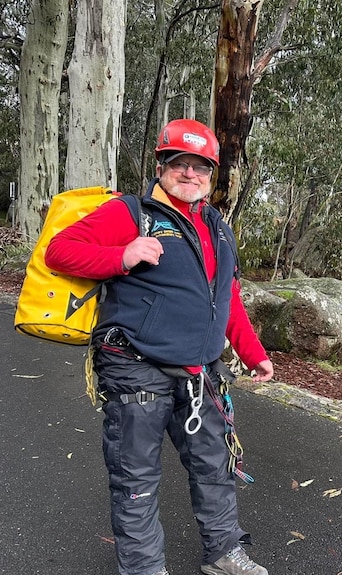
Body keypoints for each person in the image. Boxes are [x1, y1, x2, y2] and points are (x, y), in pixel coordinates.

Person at [45, 118, 273, 575]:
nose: (190, 175)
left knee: (215, 468)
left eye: (200, 167)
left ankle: (224, 553)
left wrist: (253, 353)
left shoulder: (218, 228)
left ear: (212, 174)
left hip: (201, 373)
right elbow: (59, 250)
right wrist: (121, 256)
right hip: (134, 366)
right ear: (162, 165)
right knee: (137, 480)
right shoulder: (130, 213)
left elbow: (226, 299)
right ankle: (145, 569)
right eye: (180, 164)